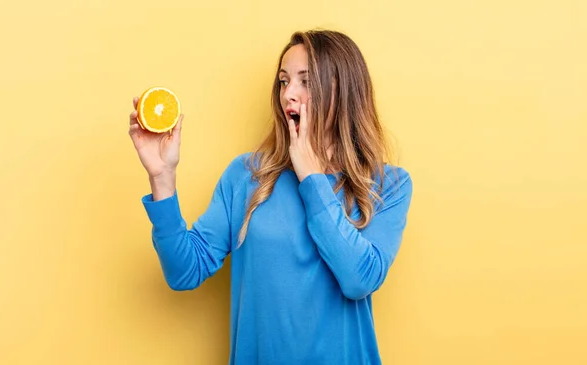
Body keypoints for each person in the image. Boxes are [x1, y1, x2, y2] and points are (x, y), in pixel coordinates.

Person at [128, 29, 413, 365]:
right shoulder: (247, 175)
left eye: (306, 81)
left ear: (344, 91)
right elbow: (184, 272)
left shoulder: (388, 185)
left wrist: (311, 177)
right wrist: (162, 178)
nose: (289, 94)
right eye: (283, 81)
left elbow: (358, 280)